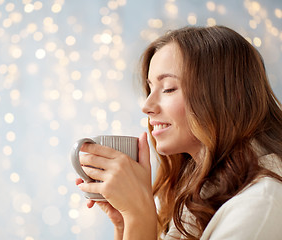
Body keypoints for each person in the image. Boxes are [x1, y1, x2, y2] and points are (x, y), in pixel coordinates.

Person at [75, 25, 282, 239]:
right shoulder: (195, 198)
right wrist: (126, 223)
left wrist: (139, 215)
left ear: (232, 94)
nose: (147, 105)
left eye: (168, 89)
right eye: (150, 88)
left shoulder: (261, 205)